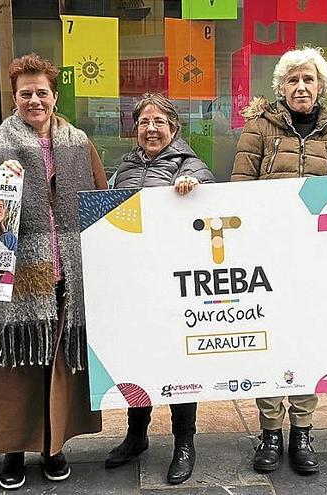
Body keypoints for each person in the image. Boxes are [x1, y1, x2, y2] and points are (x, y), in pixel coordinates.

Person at [0, 53, 107, 490]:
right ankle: (13, 449)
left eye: (42, 93)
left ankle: (54, 445)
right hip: (16, 273)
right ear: (14, 97)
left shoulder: (78, 141)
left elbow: (100, 199)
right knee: (15, 366)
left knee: (58, 366)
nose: (35, 100)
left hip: (69, 272)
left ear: (54, 94)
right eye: (25, 93)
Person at [231, 46, 327, 475]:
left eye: (308, 79)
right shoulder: (259, 127)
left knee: (307, 338)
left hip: (315, 256)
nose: (300, 87)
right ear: (280, 87)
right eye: (292, 80)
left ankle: (302, 428)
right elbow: (240, 187)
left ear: (321, 86)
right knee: (266, 337)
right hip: (266, 253)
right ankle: (270, 430)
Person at [104, 93, 215, 485]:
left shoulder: (191, 165)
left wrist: (194, 188)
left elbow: (210, 204)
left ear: (174, 127)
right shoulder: (125, 165)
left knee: (180, 361)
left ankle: (184, 441)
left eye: (159, 122)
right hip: (135, 281)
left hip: (178, 282)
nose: (151, 129)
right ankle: (137, 435)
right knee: (138, 357)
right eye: (144, 122)